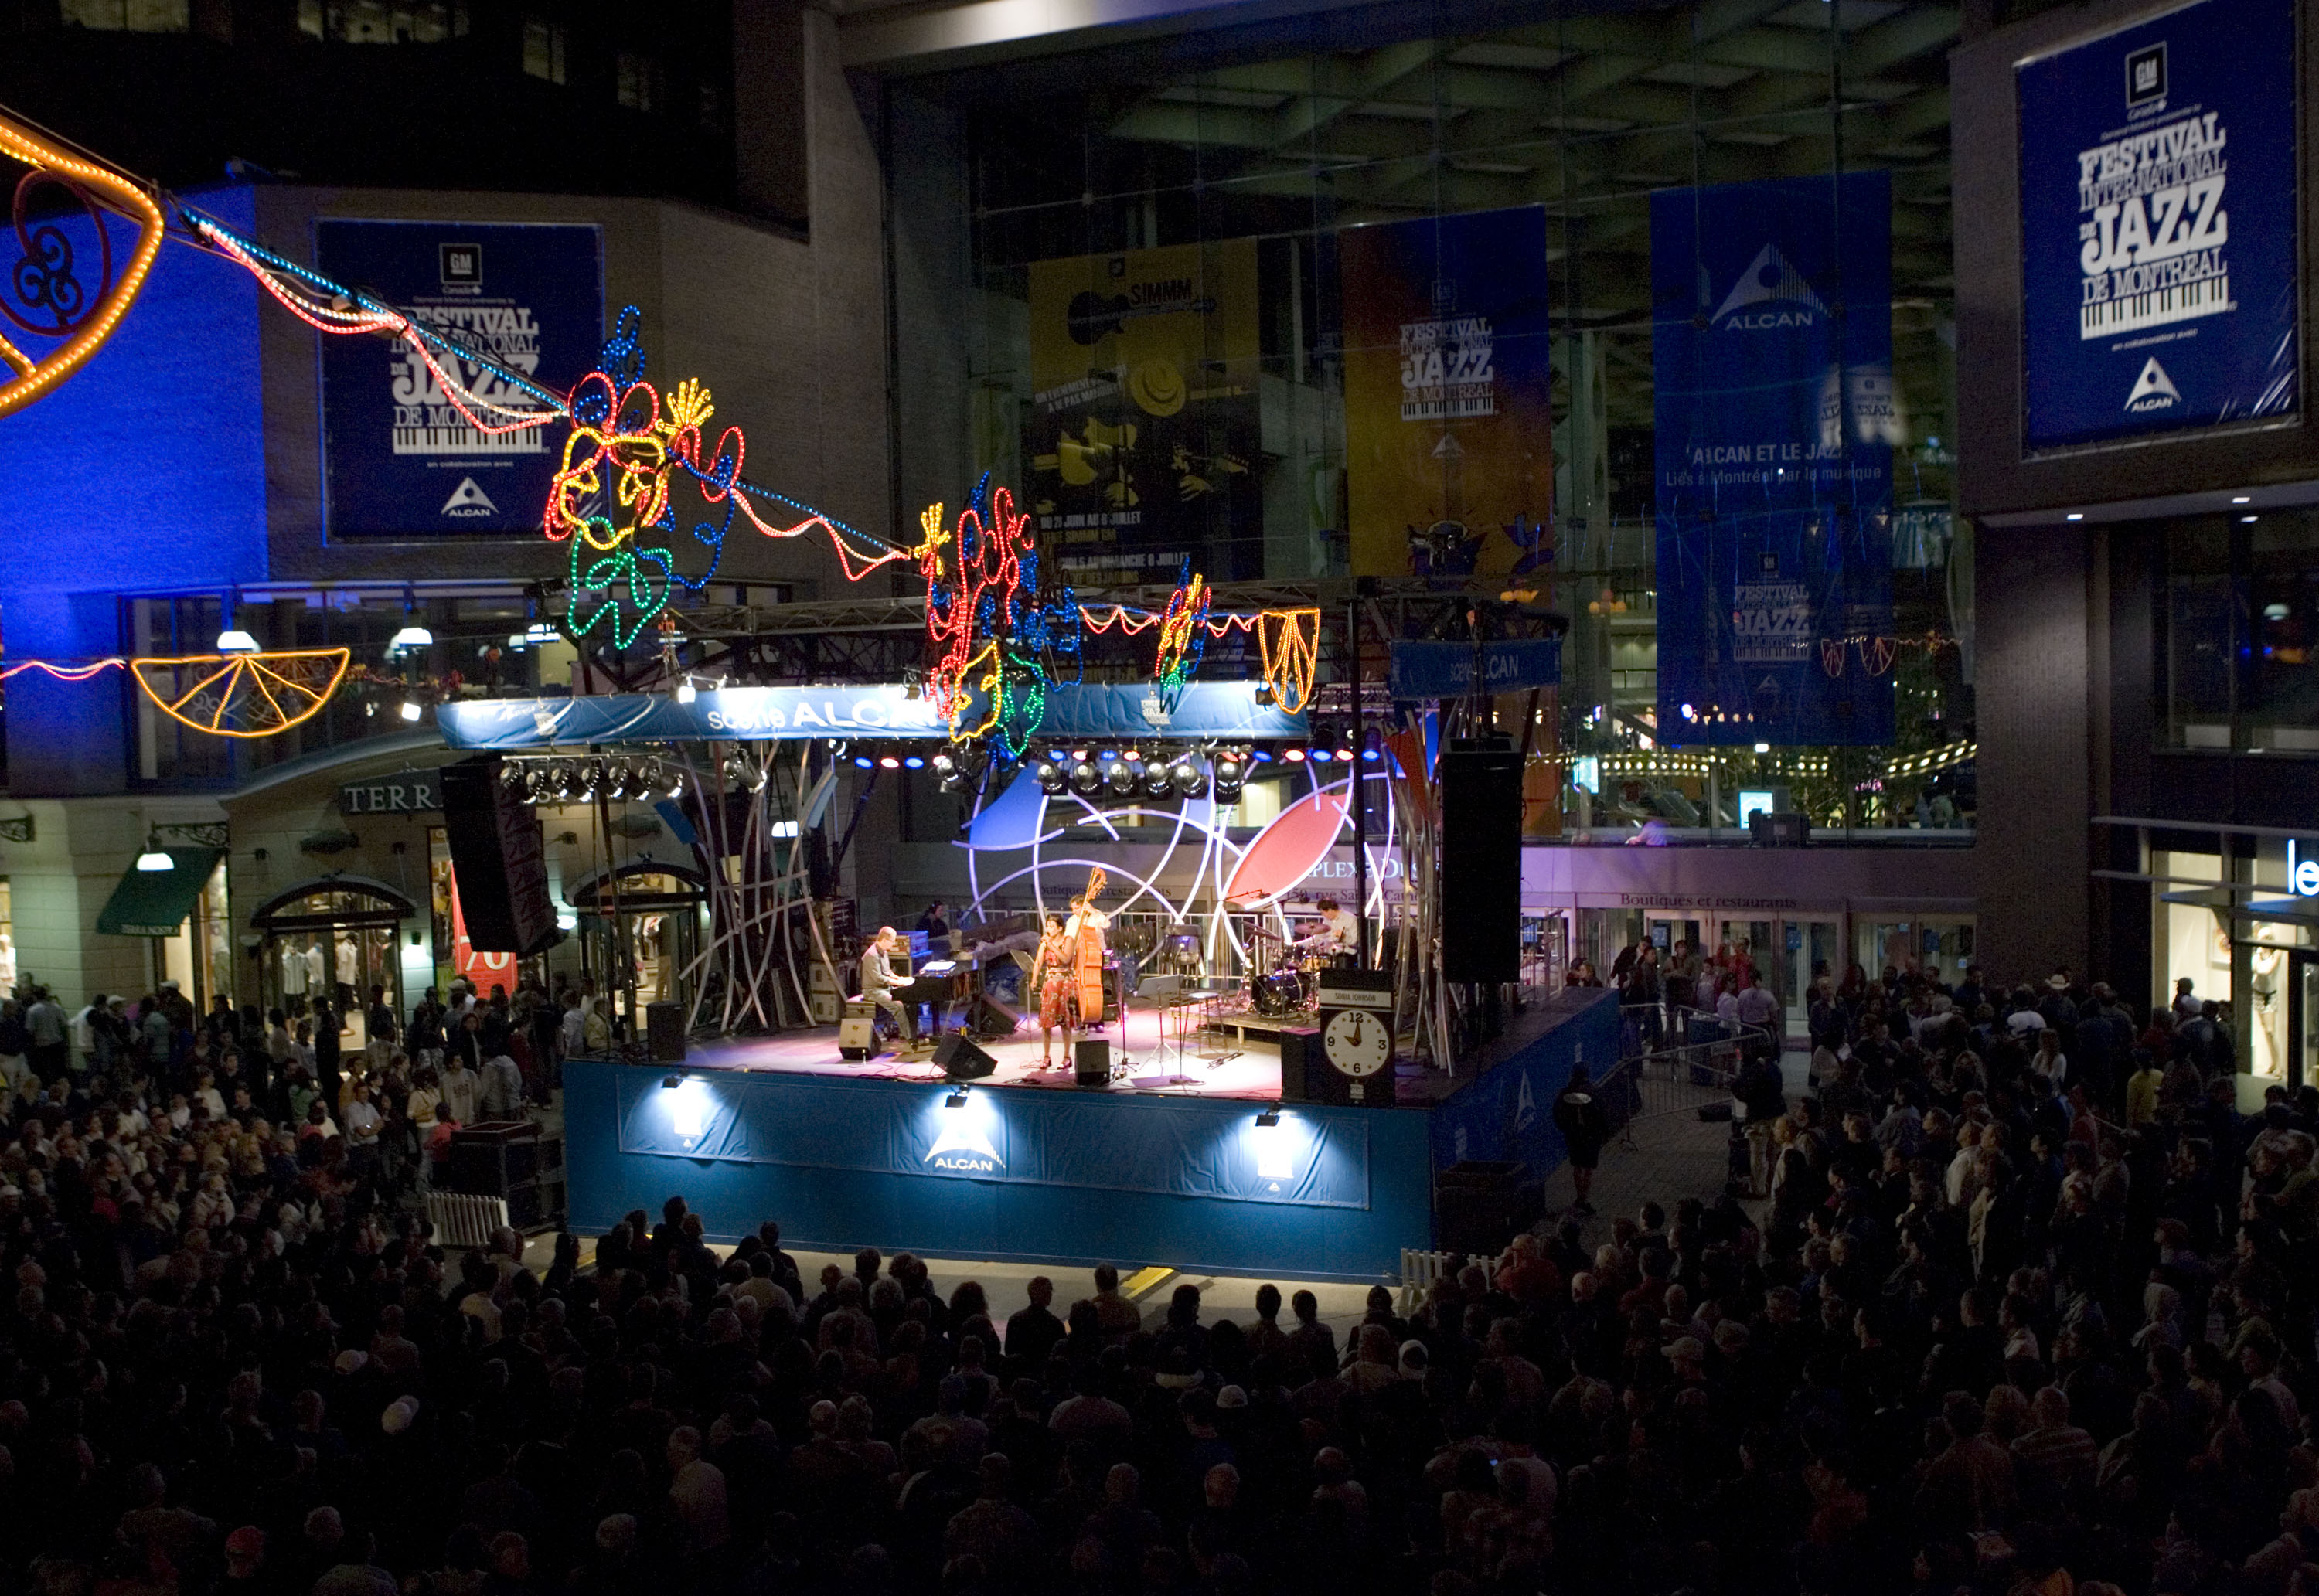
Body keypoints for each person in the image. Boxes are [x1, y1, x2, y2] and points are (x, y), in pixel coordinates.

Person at [1551, 1061, 1610, 1214]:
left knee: (1577, 1166)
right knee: (1588, 1169)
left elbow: (1557, 1113)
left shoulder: (1565, 1093)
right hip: (1591, 1136)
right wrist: (1600, 1133)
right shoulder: (1594, 1092)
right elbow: (1602, 1114)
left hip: (1573, 1135)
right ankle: (1583, 1199)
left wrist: (1565, 1128)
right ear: (1587, 1074)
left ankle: (1580, 1198)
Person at [1028, 914, 1076, 1069]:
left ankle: (1067, 1057)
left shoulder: (1068, 940)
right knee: (1046, 1022)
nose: (1049, 929)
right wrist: (1034, 979)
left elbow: (1066, 959)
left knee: (1065, 1022)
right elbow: (1038, 962)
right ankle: (1046, 1056)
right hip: (1050, 983)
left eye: (1052, 926)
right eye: (1047, 926)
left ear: (1060, 928)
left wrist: (1052, 945)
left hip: (1065, 983)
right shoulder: (1044, 943)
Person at [860, 926, 916, 1047]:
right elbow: (878, 978)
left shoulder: (883, 952)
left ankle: (913, 1032)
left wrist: (900, 979)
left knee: (909, 997)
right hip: (873, 990)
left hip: (884, 987)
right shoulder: (872, 955)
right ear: (885, 940)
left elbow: (888, 971)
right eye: (892, 941)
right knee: (898, 1006)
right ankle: (910, 1038)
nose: (893, 944)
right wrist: (897, 983)